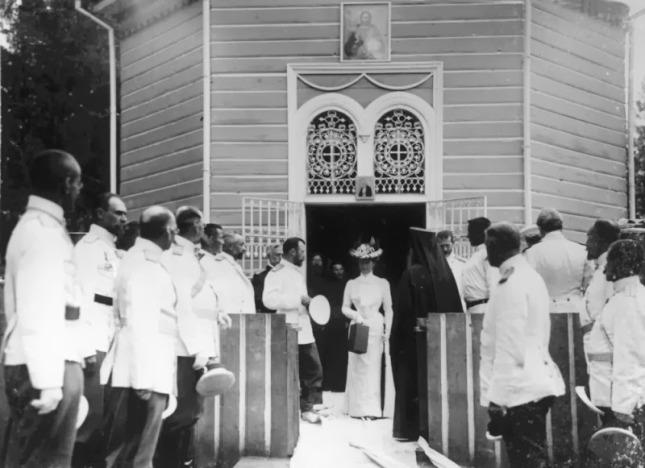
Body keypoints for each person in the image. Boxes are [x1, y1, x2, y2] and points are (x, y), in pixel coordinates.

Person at [2, 149, 86, 467]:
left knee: (52, 460)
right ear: (66, 184)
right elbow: (38, 308)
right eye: (77, 183)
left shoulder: (45, 228)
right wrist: (48, 380)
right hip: (45, 365)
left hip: (52, 358)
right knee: (39, 461)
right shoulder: (41, 232)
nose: (79, 190)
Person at [99, 206, 179, 467]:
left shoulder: (141, 259)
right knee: (137, 454)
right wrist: (143, 379)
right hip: (144, 373)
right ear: (167, 232)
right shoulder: (145, 264)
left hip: (141, 370)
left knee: (132, 451)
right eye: (174, 230)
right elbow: (140, 322)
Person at [481, 222, 565, 468]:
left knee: (527, 460)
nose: (486, 253)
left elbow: (510, 345)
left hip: (520, 389)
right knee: (531, 458)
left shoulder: (511, 282)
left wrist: (498, 398)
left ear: (494, 247)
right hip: (534, 380)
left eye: (487, 246)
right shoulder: (529, 276)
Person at [156, 206, 226, 468]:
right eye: (201, 224)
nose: (203, 228)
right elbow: (182, 307)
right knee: (180, 414)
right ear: (195, 224)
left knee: (192, 413)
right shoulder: (177, 257)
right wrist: (198, 349)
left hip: (194, 344)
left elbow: (198, 298)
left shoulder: (189, 255)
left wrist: (217, 313)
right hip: (183, 347)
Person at [391, 228, 462, 440]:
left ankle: (411, 429)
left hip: (414, 341)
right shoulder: (445, 274)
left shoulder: (412, 274)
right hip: (440, 341)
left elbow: (403, 311)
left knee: (413, 381)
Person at [72, 192, 128, 467]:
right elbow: (78, 300)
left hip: (114, 343)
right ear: (99, 214)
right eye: (118, 213)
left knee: (111, 417)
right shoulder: (88, 249)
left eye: (125, 214)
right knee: (89, 418)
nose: (124, 219)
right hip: (93, 343)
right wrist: (85, 349)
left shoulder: (114, 251)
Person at [586, 239, 645, 439]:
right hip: (614, 394)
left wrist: (624, 406)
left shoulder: (627, 302)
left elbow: (629, 355)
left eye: (609, 261)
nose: (605, 268)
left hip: (621, 401)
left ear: (619, 264)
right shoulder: (628, 297)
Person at [263, 237, 323, 424]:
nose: (304, 255)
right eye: (302, 251)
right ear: (292, 252)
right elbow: (268, 300)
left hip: (304, 329)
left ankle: (307, 408)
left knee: (313, 369)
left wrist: (308, 302)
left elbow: (301, 299)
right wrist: (297, 300)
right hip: (287, 329)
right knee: (287, 370)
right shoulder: (276, 273)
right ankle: (285, 411)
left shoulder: (296, 273)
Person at [342, 242, 394, 419]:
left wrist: (388, 329)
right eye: (361, 262)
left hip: (376, 326)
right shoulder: (351, 284)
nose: (364, 265)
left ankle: (374, 409)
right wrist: (356, 315)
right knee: (357, 365)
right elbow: (344, 307)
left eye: (367, 262)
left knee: (374, 366)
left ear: (374, 262)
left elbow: (388, 309)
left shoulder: (382, 283)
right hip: (358, 326)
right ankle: (357, 409)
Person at [525, 208, 588, 313]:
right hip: (575, 308)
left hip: (545, 309)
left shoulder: (531, 253)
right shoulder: (581, 250)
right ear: (562, 227)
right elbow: (588, 284)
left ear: (540, 229)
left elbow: (528, 286)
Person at [582, 220, 620, 347]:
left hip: (604, 343)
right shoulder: (602, 267)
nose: (586, 246)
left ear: (599, 240)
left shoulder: (610, 269)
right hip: (595, 340)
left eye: (589, 239)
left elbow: (611, 309)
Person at [203, 232, 255, 315]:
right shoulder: (219, 264)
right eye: (241, 245)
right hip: (230, 316)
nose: (245, 249)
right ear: (231, 246)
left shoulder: (232, 264)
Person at [319, 260, 350, 392]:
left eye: (340, 269)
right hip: (330, 324)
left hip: (343, 324)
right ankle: (328, 384)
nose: (338, 272)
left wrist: (347, 320)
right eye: (336, 269)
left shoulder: (348, 285)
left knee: (342, 355)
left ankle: (340, 385)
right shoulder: (327, 285)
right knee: (329, 355)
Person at [461, 217, 499, 313]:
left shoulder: (488, 253)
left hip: (483, 308)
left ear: (479, 234)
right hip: (474, 308)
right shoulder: (479, 254)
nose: (468, 236)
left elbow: (494, 283)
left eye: (470, 232)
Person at [437, 230, 466, 307]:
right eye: (441, 246)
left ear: (453, 243)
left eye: (447, 245)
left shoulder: (462, 264)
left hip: (457, 305)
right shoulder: (433, 264)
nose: (445, 249)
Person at [251, 244, 283, 313]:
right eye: (277, 255)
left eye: (282, 255)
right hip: (269, 314)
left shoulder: (287, 274)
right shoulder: (259, 277)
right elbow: (257, 301)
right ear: (269, 256)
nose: (280, 258)